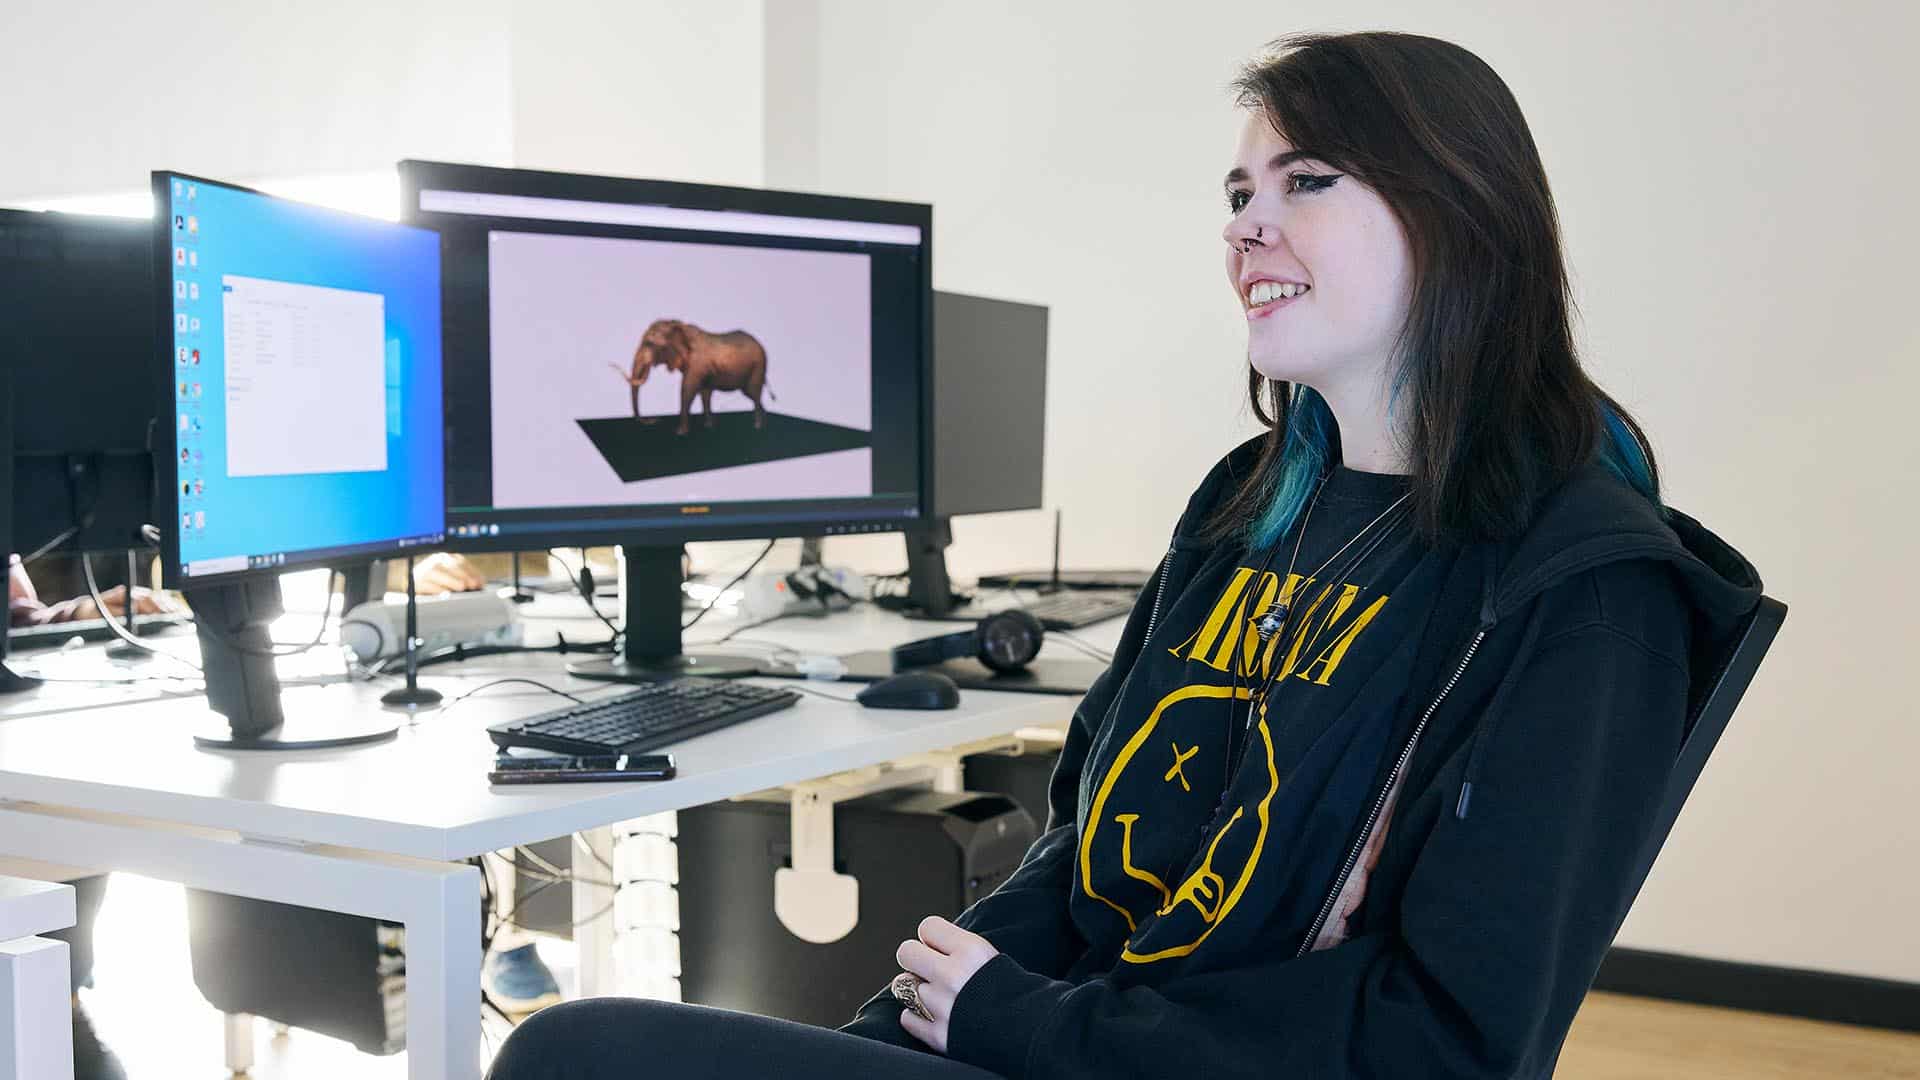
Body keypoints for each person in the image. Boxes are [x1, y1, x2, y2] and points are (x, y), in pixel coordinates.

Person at [483, 30, 1764, 1080]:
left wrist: (1025, 1026)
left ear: (1462, 213)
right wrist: (904, 1025)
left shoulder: (1587, 592)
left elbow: (1448, 1042)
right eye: (1238, 195)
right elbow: (1078, 855)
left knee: (572, 1058)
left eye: (1307, 180)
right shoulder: (1246, 507)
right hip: (1061, 1045)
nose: (1247, 228)